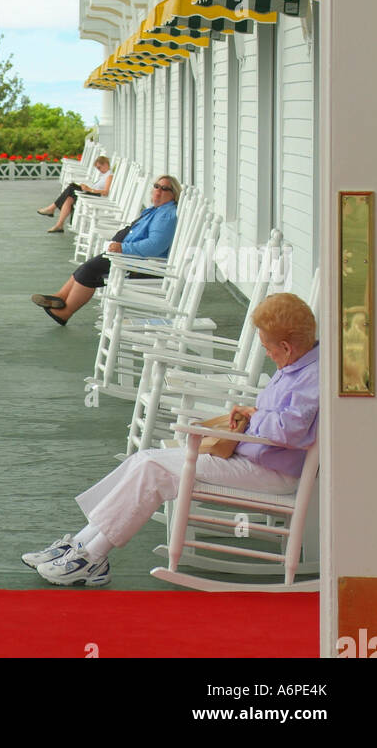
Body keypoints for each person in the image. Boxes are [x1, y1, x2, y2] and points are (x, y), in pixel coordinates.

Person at [21, 292, 319, 586]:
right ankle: (82, 545)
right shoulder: (296, 364)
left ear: (286, 347)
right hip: (252, 457)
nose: (267, 353)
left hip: (273, 471)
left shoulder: (312, 377)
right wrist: (252, 416)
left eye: (269, 348)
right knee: (144, 459)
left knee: (154, 469)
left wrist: (254, 415)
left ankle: (91, 557)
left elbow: (288, 430)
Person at [31, 174, 181, 325]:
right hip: (130, 256)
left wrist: (123, 247)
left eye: (164, 188)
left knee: (90, 270)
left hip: (142, 264)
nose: (158, 191)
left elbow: (155, 246)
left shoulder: (166, 215)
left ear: (173, 195)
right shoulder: (156, 210)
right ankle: (61, 297)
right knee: (89, 266)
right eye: (156, 186)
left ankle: (64, 312)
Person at [37, 157, 113, 234]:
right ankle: (59, 225)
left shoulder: (109, 176)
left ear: (106, 164)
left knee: (71, 188)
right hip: (92, 193)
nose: (99, 170)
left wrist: (89, 189)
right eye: (97, 168)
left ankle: (51, 208)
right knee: (69, 198)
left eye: (99, 167)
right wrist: (87, 188)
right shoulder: (104, 175)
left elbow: (105, 192)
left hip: (96, 197)